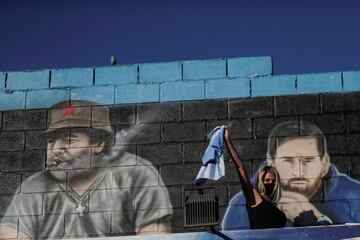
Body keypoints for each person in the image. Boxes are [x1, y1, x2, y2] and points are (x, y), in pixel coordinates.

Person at [0, 100, 173, 239]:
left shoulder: (136, 174)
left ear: (98, 143)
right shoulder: (33, 188)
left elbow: (155, 234)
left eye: (69, 140)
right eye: (51, 141)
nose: (56, 149)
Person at [222, 121, 360, 229]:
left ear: (324, 163)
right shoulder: (245, 202)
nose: (299, 172)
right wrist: (227, 141)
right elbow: (240, 167)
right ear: (272, 161)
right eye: (288, 160)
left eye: (308, 160)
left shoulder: (354, 196)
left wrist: (315, 216)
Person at [223, 128, 286, 229]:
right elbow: (240, 167)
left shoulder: (273, 203)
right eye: (267, 180)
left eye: (273, 181)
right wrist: (227, 140)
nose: (271, 183)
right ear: (261, 181)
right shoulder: (254, 196)